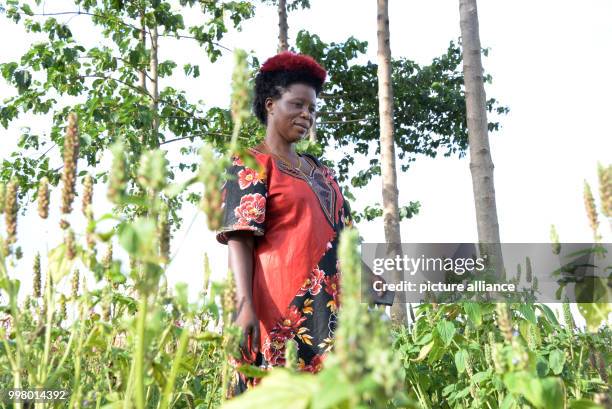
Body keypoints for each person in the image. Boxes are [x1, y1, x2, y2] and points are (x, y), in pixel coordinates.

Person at [215, 51, 352, 396]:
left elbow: (342, 240)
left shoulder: (322, 173)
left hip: (332, 314)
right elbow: (239, 239)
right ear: (270, 104)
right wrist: (243, 305)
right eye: (297, 105)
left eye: (311, 109)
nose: (306, 115)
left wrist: (372, 277)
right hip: (279, 312)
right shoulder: (250, 163)